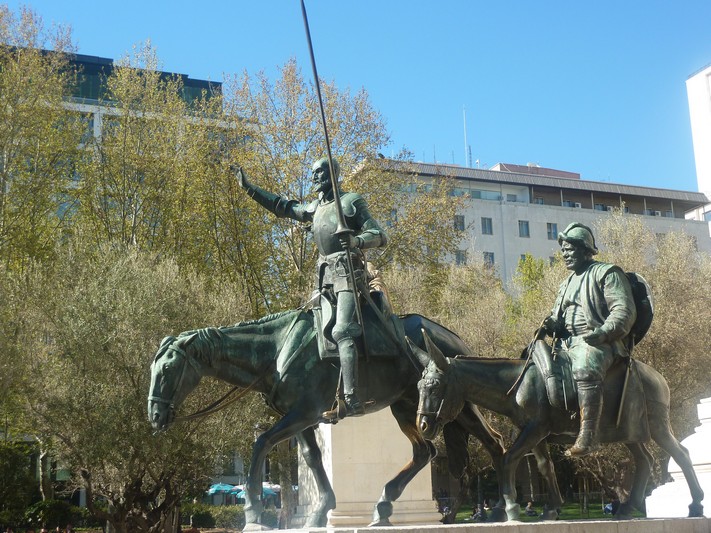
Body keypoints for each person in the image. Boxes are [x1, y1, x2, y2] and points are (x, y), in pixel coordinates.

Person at [236, 158, 387, 419]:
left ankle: (351, 398)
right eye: (313, 173)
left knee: (343, 331)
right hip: (324, 280)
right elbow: (282, 207)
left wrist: (356, 240)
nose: (314, 177)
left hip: (348, 278)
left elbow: (380, 235)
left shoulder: (350, 202)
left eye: (319, 172)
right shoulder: (315, 207)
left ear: (332, 173)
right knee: (309, 335)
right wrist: (249, 188)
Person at [543, 222, 636, 456]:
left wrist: (603, 332)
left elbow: (624, 310)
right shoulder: (566, 283)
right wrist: (552, 325)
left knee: (585, 367)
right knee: (535, 365)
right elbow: (558, 316)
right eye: (563, 250)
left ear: (585, 250)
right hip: (566, 344)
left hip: (598, 342)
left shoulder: (607, 272)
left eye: (570, 249)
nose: (565, 254)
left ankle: (589, 437)